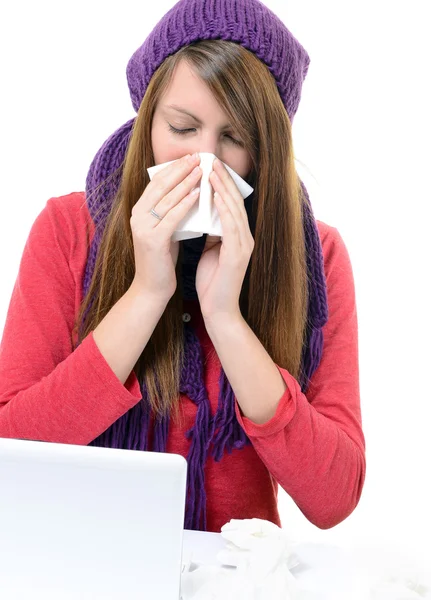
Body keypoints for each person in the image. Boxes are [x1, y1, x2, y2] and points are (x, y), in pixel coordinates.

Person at [0, 0, 366, 533]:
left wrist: (228, 320)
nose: (204, 161)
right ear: (148, 119)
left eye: (235, 139)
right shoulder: (67, 228)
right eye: (182, 127)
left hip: (233, 580)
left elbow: (334, 498)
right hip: (79, 560)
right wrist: (146, 295)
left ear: (263, 153)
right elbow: (12, 452)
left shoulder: (317, 256)